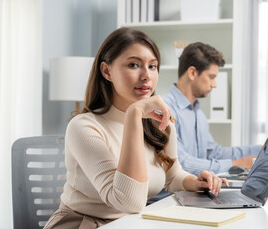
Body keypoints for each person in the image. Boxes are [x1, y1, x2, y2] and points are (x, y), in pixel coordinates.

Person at [44, 28, 228, 229]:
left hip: (130, 223)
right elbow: (128, 202)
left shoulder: (160, 124)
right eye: (134, 65)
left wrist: (195, 182)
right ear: (106, 71)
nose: (146, 75)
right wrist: (134, 116)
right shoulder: (84, 127)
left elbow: (173, 176)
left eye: (152, 66)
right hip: (84, 224)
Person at [162, 42, 261, 176]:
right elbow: (181, 162)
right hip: (169, 195)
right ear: (192, 73)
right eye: (211, 77)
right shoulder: (164, 108)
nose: (214, 85)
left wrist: (259, 150)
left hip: (192, 190)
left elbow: (214, 153)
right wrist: (234, 164)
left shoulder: (199, 115)